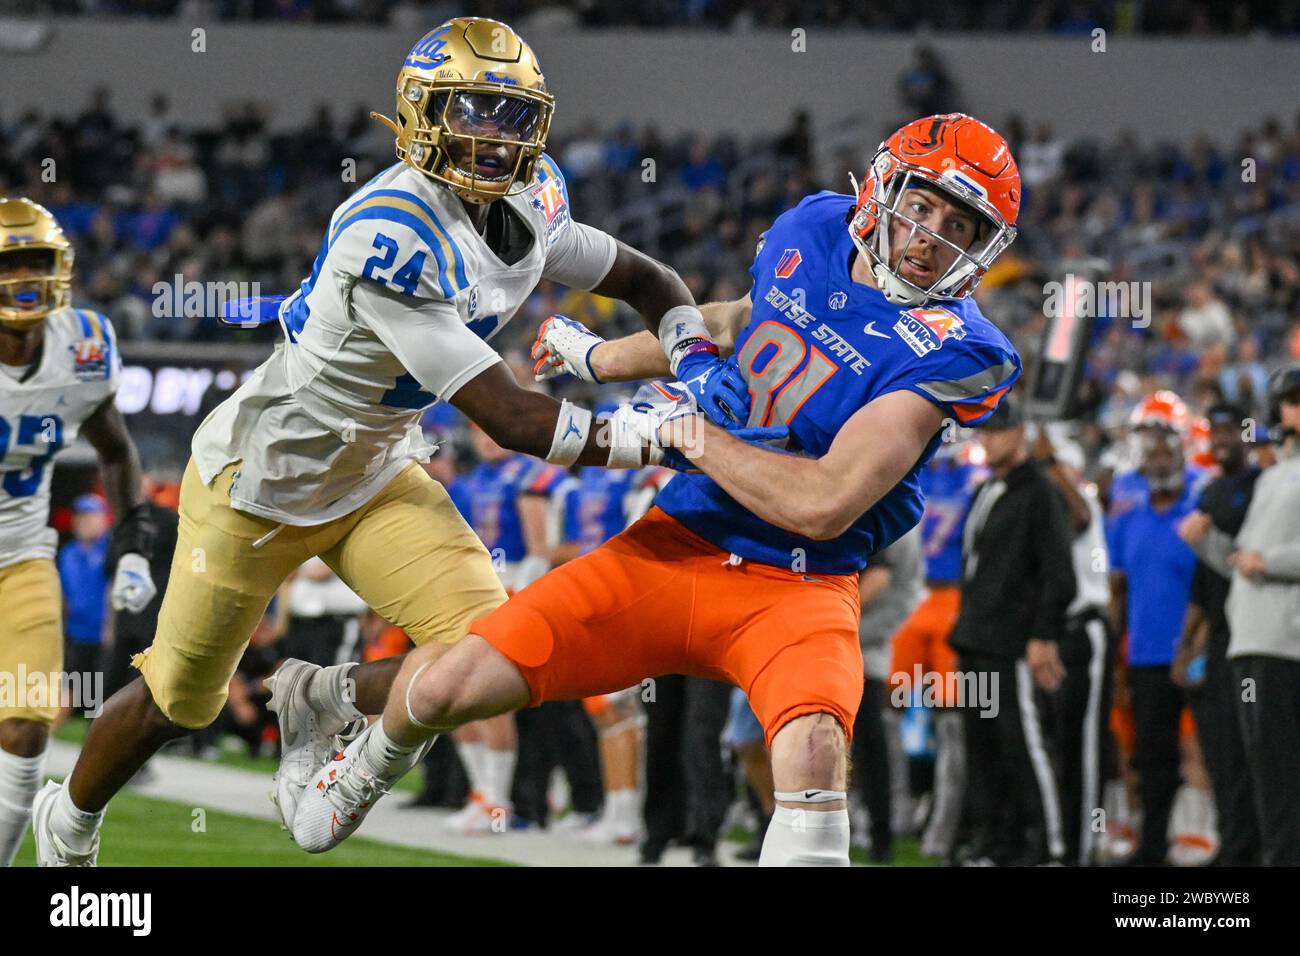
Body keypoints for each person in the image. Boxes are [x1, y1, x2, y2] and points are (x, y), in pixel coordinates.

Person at [32, 17, 747, 866]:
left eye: (513, 115)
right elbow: (515, 420)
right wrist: (673, 436)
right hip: (261, 483)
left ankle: (330, 714)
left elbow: (646, 277)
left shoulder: (533, 198)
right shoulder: (392, 232)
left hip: (374, 474)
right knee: (180, 702)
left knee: (492, 654)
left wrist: (694, 356)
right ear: (420, 114)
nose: (496, 138)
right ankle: (68, 822)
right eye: (473, 111)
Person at [290, 112, 1025, 866]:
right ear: (880, 187)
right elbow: (742, 319)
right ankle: (365, 765)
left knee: (813, 748)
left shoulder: (960, 350)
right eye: (922, 204)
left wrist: (693, 435)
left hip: (800, 583)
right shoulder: (816, 228)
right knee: (453, 686)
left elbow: (823, 503)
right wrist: (605, 357)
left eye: (960, 225)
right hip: (676, 545)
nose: (931, 234)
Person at [0, 197, 157, 868]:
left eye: (37, 261)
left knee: (27, 723)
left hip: (20, 556)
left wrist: (133, 539)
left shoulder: (82, 348)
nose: (25, 278)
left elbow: (116, 451)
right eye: (10, 264)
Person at [1180, 366, 1300, 865]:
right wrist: (1206, 541)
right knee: (1266, 777)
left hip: (1285, 641)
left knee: (1283, 780)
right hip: (1250, 641)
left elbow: (1261, 561)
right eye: (1291, 401)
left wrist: (1268, 563)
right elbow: (1240, 563)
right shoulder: (1274, 477)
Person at [948, 397, 1075, 866]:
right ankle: (996, 844)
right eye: (984, 431)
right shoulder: (986, 490)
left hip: (1012, 642)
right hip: (975, 638)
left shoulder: (1040, 492)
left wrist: (1043, 635)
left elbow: (1059, 573)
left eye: (997, 430)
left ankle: (1048, 847)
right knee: (983, 752)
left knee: (1026, 746)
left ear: (1020, 432)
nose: (988, 437)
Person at [1107, 415, 1201, 865]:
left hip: (1199, 654)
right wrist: (1115, 659)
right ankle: (1155, 845)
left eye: (1168, 452)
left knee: (1211, 752)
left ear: (1182, 457)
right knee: (1152, 758)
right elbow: (1118, 593)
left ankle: (1213, 839)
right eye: (1154, 455)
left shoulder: (1199, 518)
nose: (1161, 461)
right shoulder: (1128, 521)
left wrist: (1195, 646)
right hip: (1145, 656)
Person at [1174, 401, 1261, 865]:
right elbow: (1203, 583)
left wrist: (1207, 540)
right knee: (1221, 749)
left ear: (1248, 435)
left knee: (1253, 750)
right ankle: (1233, 843)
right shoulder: (1210, 492)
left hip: (1252, 632)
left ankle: (1256, 847)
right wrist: (1187, 643)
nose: (1221, 441)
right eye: (1215, 433)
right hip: (1219, 636)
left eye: (1230, 431)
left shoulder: (1259, 486)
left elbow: (1247, 565)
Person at [56, 496, 113, 695]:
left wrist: (111, 628)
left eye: (90, 516)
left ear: (103, 519)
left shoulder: (111, 549)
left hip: (106, 636)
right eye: (80, 516)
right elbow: (63, 594)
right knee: (70, 690)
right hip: (77, 633)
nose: (83, 521)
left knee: (102, 696)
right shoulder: (68, 553)